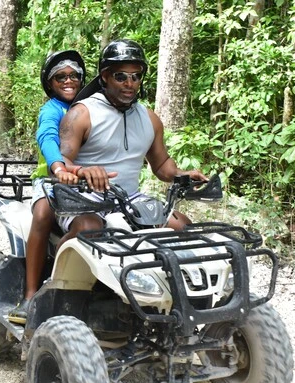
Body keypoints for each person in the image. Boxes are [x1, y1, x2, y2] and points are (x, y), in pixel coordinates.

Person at [57, 39, 208, 244]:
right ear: (105, 77)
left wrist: (182, 175)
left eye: (136, 76)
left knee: (183, 226)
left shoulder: (150, 118)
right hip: (82, 200)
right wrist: (81, 171)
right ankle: (58, 277)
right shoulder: (82, 114)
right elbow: (60, 161)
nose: (130, 83)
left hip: (130, 199)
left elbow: (161, 164)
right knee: (89, 229)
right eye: (121, 77)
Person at [8, 50, 86, 324]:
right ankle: (30, 295)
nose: (68, 81)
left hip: (86, 182)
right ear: (50, 83)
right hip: (50, 179)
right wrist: (58, 167)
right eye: (60, 77)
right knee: (42, 215)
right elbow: (47, 137)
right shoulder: (51, 109)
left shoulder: (90, 106)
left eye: (74, 76)